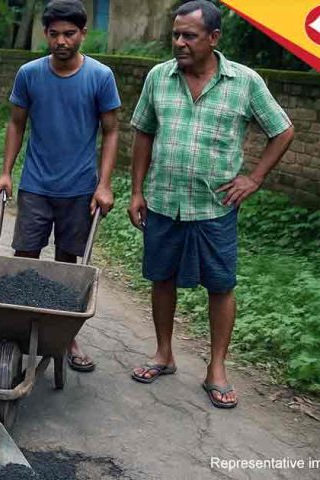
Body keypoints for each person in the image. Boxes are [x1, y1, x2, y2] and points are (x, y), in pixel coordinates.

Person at [128, 0, 294, 409]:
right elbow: (144, 133)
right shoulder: (158, 77)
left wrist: (254, 179)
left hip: (215, 207)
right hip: (165, 200)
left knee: (220, 285)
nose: (179, 43)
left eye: (189, 36)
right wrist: (136, 191)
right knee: (161, 277)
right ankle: (163, 354)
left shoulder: (245, 82)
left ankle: (216, 368)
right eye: (176, 35)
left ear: (214, 38)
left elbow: (283, 130)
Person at [0, 0, 120, 373]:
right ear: (45, 34)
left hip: (79, 188)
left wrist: (105, 184)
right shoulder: (30, 74)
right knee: (26, 256)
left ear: (82, 33)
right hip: (36, 184)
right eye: (54, 34)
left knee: (67, 263)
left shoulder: (100, 76)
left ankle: (64, 336)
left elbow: (111, 132)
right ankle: (17, 327)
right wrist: (6, 172)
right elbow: (16, 123)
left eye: (69, 34)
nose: (61, 41)